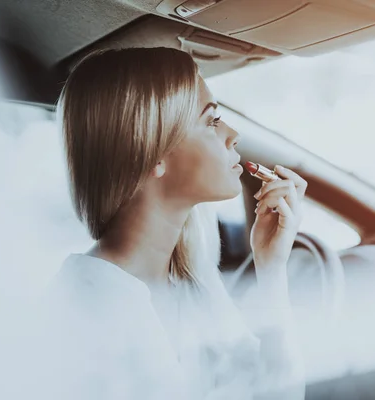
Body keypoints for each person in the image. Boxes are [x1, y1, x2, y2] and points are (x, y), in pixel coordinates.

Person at [32, 47, 307, 400]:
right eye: (211, 120)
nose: (233, 133)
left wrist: (271, 268)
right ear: (151, 153)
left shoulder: (191, 282)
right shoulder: (83, 314)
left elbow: (274, 393)